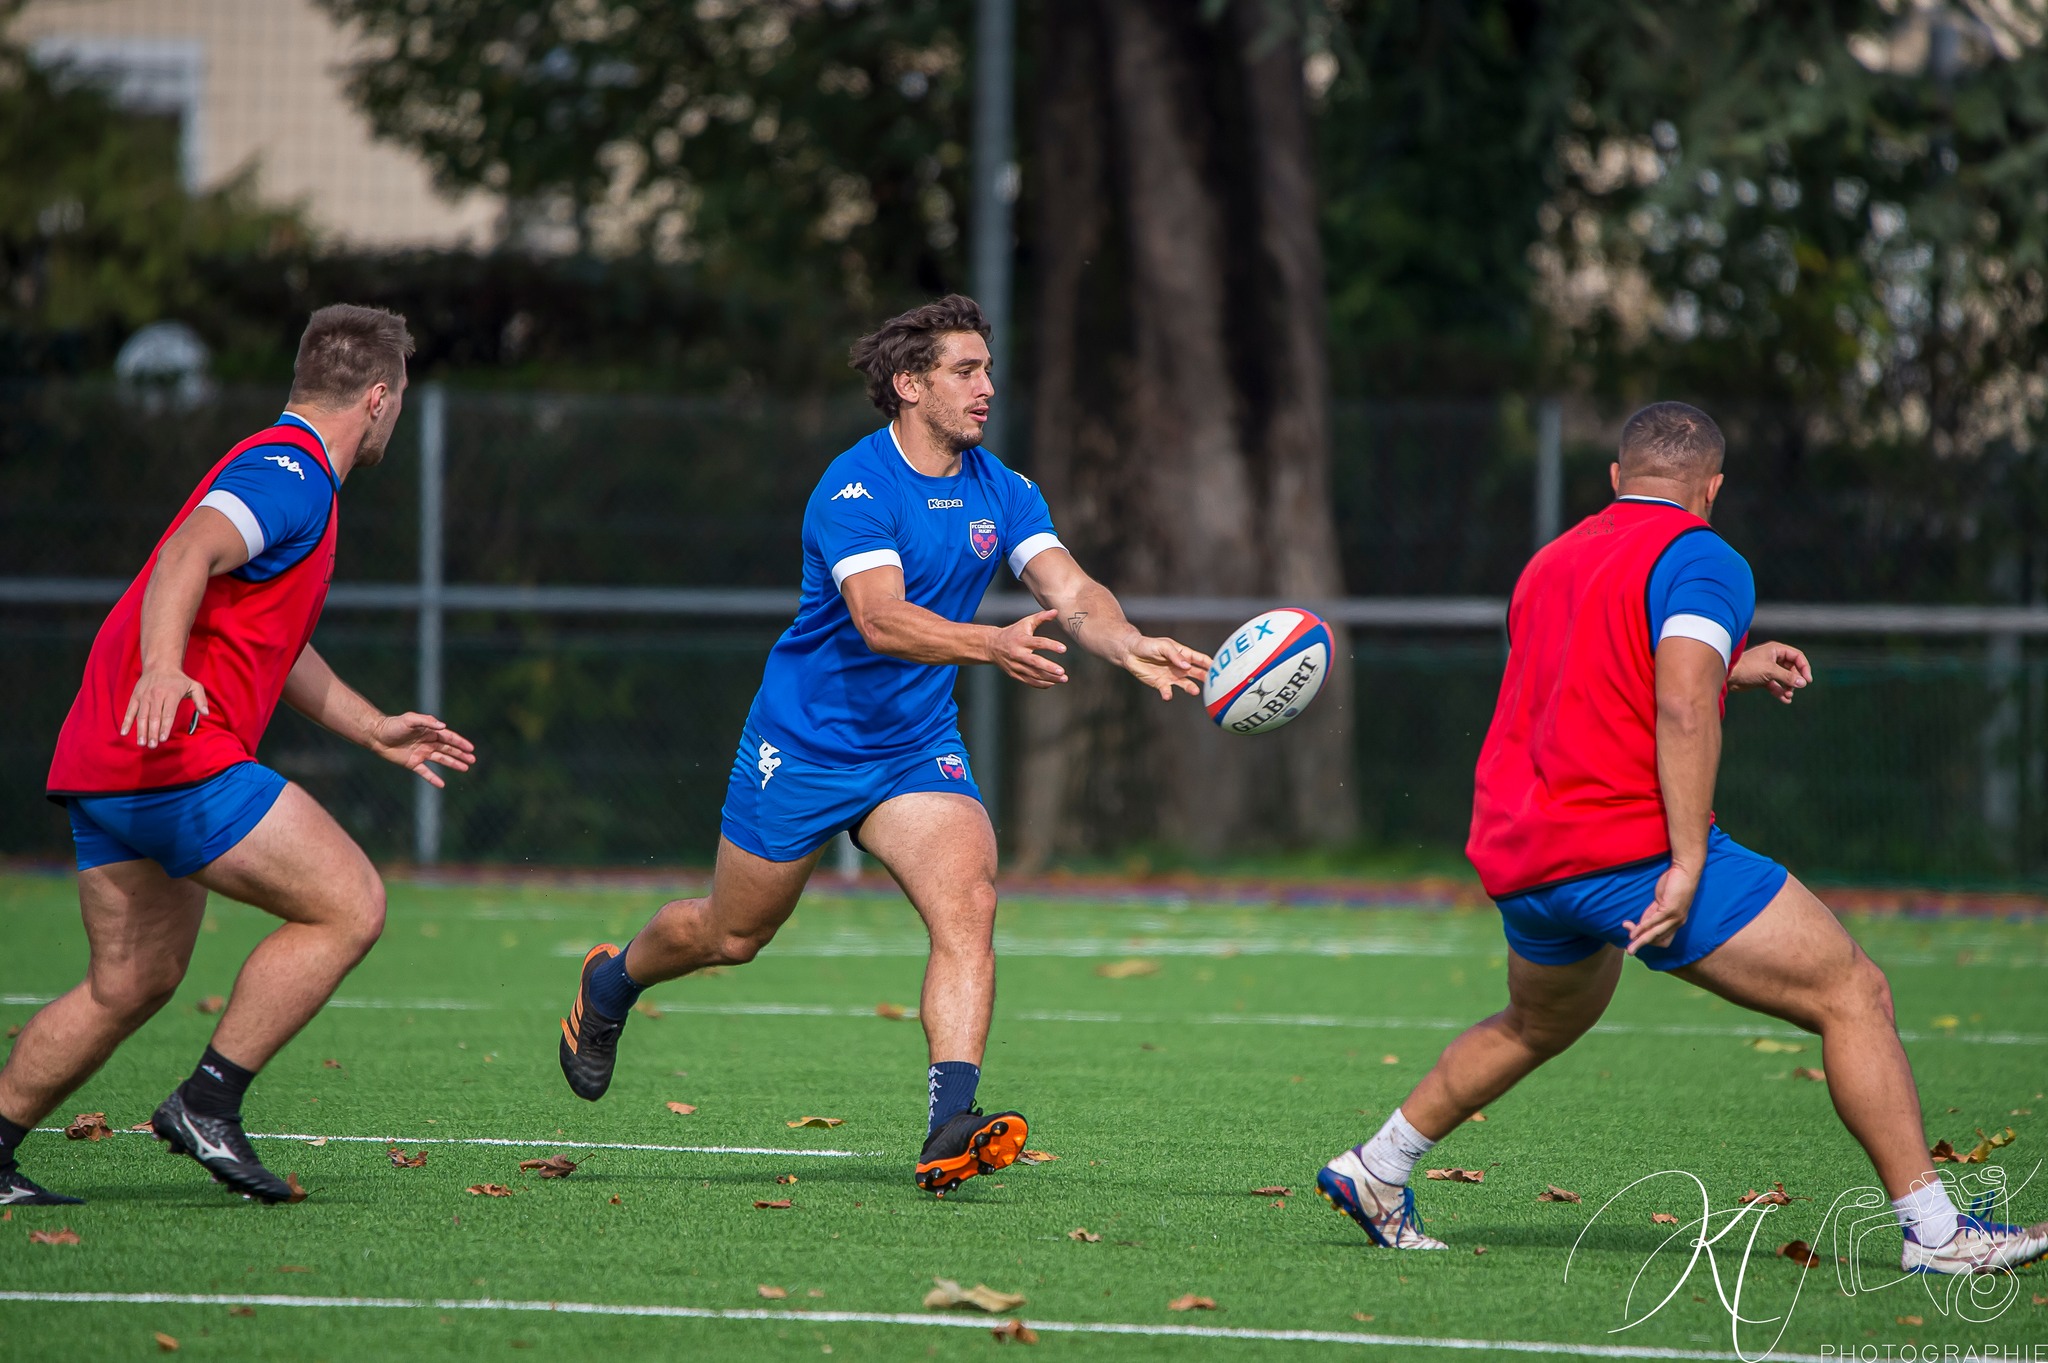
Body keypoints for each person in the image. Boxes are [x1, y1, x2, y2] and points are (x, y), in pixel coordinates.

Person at [1315, 402, 2048, 1274]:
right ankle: (1936, 1233)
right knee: (1853, 991)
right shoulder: (1704, 555)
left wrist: (1733, 664)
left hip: (1527, 853)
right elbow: (1681, 703)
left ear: (1617, 478)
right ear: (1713, 487)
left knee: (1539, 1020)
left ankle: (1379, 1164)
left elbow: (1594, 677)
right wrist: (1688, 860)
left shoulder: (1550, 560)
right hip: (1628, 850)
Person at [557, 294, 1210, 1193]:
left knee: (969, 901)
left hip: (914, 748)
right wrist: (990, 643)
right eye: (965, 371)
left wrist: (1125, 639)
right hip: (806, 743)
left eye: (988, 369)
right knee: (732, 934)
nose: (987, 387)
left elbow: (1072, 589)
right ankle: (611, 982)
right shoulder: (855, 488)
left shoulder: (1003, 489)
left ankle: (950, 1125)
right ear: (909, 384)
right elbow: (881, 619)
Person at [0, 305, 475, 1207]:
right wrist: (163, 667)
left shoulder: (282, 470)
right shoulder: (290, 470)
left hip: (110, 758)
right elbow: (187, 553)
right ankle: (207, 1102)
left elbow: (274, 643)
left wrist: (372, 726)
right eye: (402, 398)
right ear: (378, 398)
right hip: (174, 751)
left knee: (129, 982)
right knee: (351, 903)